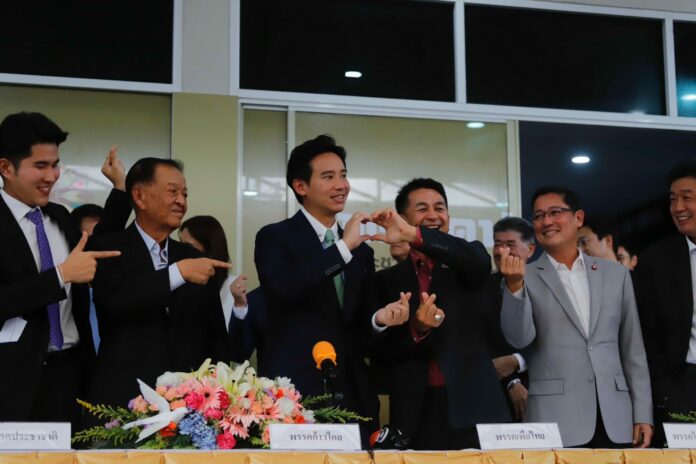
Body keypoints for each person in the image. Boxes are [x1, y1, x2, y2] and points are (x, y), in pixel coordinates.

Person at [254, 135, 409, 444]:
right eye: (328, 177)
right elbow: (285, 288)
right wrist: (342, 248)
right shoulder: (275, 237)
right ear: (301, 186)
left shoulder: (360, 250)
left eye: (343, 175)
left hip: (352, 393)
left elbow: (359, 319)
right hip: (293, 392)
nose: (342, 185)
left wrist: (381, 318)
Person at [0, 112, 127, 431]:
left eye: (55, 164)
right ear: (6, 168)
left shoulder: (57, 215)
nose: (52, 176)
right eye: (40, 166)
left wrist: (121, 190)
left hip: (68, 374)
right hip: (12, 380)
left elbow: (94, 249)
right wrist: (59, 276)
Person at [500, 186, 653, 448]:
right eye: (538, 216)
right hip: (555, 418)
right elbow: (518, 339)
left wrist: (642, 414)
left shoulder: (616, 274)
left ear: (578, 218)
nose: (546, 221)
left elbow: (633, 350)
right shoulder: (524, 275)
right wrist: (514, 286)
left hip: (616, 417)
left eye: (555, 212)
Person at [371, 178, 510, 450]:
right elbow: (378, 350)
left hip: (474, 408)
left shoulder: (469, 261)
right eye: (422, 208)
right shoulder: (385, 281)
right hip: (414, 411)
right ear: (403, 218)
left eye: (440, 208)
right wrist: (416, 329)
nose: (433, 215)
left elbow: (480, 261)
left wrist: (414, 234)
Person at [87, 157, 232, 412]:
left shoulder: (194, 258)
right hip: (123, 402)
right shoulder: (108, 249)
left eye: (185, 193)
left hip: (191, 408)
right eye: (172, 192)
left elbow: (216, 338)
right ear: (140, 197)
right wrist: (176, 273)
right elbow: (116, 304)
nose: (181, 201)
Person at [635, 161, 696, 446]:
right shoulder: (655, 261)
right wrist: (665, 390)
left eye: (687, 197)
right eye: (673, 199)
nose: (678, 207)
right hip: (681, 386)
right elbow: (648, 337)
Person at [488, 216, 536, 421]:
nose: (501, 251)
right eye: (497, 244)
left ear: (531, 249)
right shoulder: (483, 286)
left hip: (546, 389)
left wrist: (518, 360)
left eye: (510, 244)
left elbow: (556, 335)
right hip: (495, 396)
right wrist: (511, 380)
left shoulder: (548, 285)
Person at [179, 215, 248, 327]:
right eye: (180, 245)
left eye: (188, 246)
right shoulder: (179, 283)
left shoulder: (232, 288)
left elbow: (239, 336)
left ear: (210, 251)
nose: (180, 252)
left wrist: (240, 306)